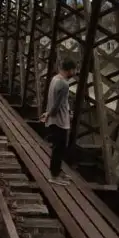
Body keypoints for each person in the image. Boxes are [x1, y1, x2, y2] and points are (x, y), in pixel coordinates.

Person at [40, 58, 77, 186]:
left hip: (55, 120)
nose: (75, 72)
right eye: (74, 69)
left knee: (59, 147)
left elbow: (55, 101)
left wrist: (47, 113)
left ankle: (57, 171)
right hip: (60, 121)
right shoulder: (64, 84)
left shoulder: (55, 79)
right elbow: (57, 105)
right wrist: (49, 114)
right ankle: (54, 176)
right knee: (59, 149)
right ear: (69, 70)